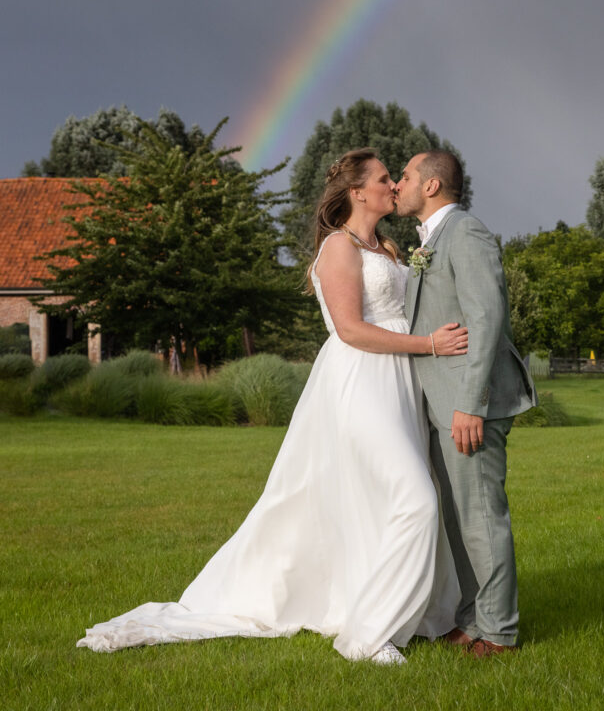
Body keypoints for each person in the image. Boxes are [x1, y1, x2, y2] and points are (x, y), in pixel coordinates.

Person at [77, 148, 465, 666]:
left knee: (381, 502)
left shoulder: (391, 248)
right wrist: (430, 346)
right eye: (383, 178)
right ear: (357, 192)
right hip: (360, 384)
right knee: (415, 498)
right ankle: (367, 637)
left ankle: (394, 609)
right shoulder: (337, 248)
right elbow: (349, 330)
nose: (394, 185)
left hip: (401, 386)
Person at [394, 150, 537, 657]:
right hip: (441, 404)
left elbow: (487, 318)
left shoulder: (467, 233)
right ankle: (473, 618)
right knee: (458, 518)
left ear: (432, 186)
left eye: (406, 176)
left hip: (468, 405)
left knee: (480, 516)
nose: (398, 184)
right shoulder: (429, 242)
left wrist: (471, 403)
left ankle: (499, 632)